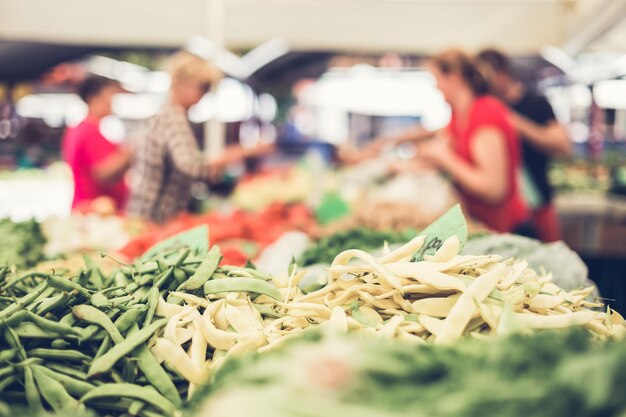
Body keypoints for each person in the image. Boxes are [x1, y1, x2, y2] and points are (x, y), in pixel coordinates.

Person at [357, 49, 528, 233]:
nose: (436, 87)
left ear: (454, 77)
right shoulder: (460, 116)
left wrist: (445, 158)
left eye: (437, 79)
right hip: (479, 222)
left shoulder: (486, 114)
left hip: (503, 228)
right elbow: (433, 139)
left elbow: (494, 189)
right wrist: (393, 156)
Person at [126, 52, 271, 223]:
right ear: (180, 83)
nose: (205, 94)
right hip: (155, 218)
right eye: (203, 87)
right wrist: (237, 153)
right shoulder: (173, 118)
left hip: (148, 214)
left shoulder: (165, 115)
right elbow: (190, 166)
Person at [477, 48, 571, 242]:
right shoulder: (485, 106)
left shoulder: (536, 102)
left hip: (537, 203)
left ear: (502, 73)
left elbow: (563, 145)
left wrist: (511, 121)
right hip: (503, 211)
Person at [62, 76, 131, 211]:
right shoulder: (89, 132)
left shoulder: (79, 129)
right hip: (94, 214)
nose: (112, 101)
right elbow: (104, 174)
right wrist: (131, 154)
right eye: (109, 96)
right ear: (94, 99)